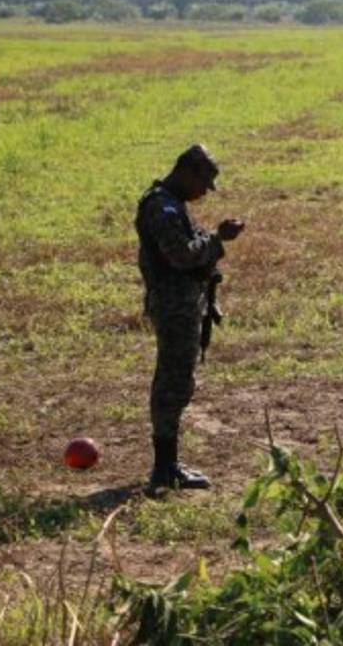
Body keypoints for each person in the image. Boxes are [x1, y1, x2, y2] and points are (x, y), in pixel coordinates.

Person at [135, 144, 245, 493]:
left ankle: (168, 467)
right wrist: (218, 238)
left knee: (179, 381)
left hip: (183, 305)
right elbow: (182, 255)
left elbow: (191, 243)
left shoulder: (171, 203)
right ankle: (163, 471)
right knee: (171, 384)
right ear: (187, 172)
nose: (203, 193)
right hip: (173, 307)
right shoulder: (162, 207)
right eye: (204, 184)